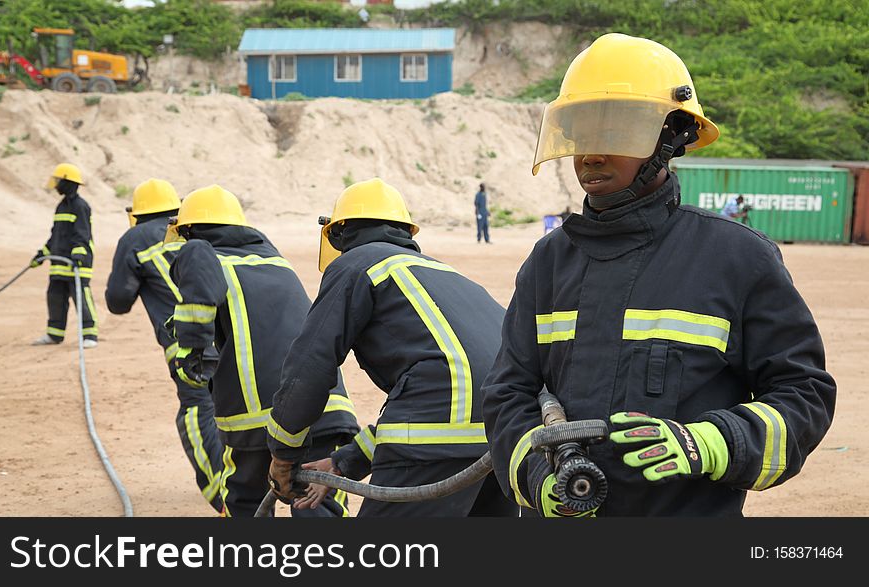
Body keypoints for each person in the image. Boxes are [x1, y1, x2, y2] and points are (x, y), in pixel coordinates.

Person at [481, 33, 836, 517]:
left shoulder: (737, 259)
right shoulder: (548, 263)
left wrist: (711, 443)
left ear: (674, 136)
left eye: (616, 131)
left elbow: (804, 395)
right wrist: (538, 477)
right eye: (581, 131)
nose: (592, 154)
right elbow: (507, 394)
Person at [265, 178, 517, 517]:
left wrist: (284, 453)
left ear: (339, 234)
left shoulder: (355, 265)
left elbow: (309, 366)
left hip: (436, 442)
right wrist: (343, 463)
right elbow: (430, 384)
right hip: (502, 437)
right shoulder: (445, 275)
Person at [167, 185, 360, 517]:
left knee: (245, 500)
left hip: (257, 420)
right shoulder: (275, 260)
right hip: (324, 408)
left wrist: (190, 358)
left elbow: (197, 312)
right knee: (318, 506)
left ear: (188, 230)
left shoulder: (199, 252)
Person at [105, 178, 225, 513]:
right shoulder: (194, 228)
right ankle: (249, 481)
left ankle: (223, 494)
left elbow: (118, 301)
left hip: (187, 345)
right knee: (232, 410)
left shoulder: (134, 239)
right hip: (233, 336)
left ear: (136, 214)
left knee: (197, 410)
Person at [31, 163, 99, 348]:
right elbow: (55, 236)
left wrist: (78, 256)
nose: (57, 184)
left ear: (68, 182)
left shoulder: (81, 206)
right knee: (55, 297)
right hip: (58, 264)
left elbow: (82, 235)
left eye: (59, 180)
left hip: (77, 264)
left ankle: (90, 335)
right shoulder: (61, 207)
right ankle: (54, 334)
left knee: (81, 298)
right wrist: (42, 254)